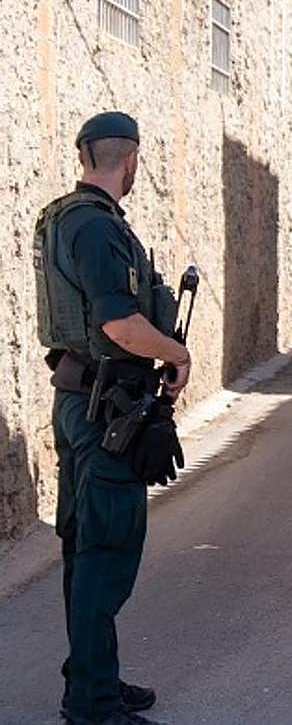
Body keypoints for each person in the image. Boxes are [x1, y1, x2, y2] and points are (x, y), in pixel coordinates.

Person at [34, 112, 190, 725]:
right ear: (130, 161)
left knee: (85, 549)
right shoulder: (97, 230)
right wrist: (175, 354)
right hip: (106, 413)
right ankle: (92, 705)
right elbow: (119, 325)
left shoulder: (61, 219)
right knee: (106, 552)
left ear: (84, 156)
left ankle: (93, 678)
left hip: (82, 401)